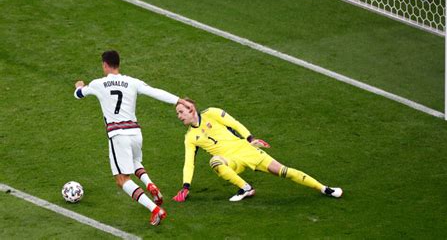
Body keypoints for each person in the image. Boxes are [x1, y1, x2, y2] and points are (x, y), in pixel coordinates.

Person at [74, 50, 193, 226]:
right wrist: (179, 101)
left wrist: (79, 86)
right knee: (136, 161)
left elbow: (78, 95)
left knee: (122, 180)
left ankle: (155, 209)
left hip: (118, 135)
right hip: (136, 133)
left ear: (105, 65)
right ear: (118, 64)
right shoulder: (132, 82)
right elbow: (155, 92)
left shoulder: (98, 84)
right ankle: (151, 185)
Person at [172, 100, 343, 202]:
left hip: (246, 150)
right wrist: (185, 187)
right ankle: (245, 188)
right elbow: (189, 163)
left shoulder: (212, 113)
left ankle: (324, 188)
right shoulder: (190, 137)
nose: (179, 116)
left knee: (284, 171)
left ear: (191, 109)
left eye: (181, 112)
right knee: (215, 161)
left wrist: (251, 139)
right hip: (231, 161)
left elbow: (235, 124)